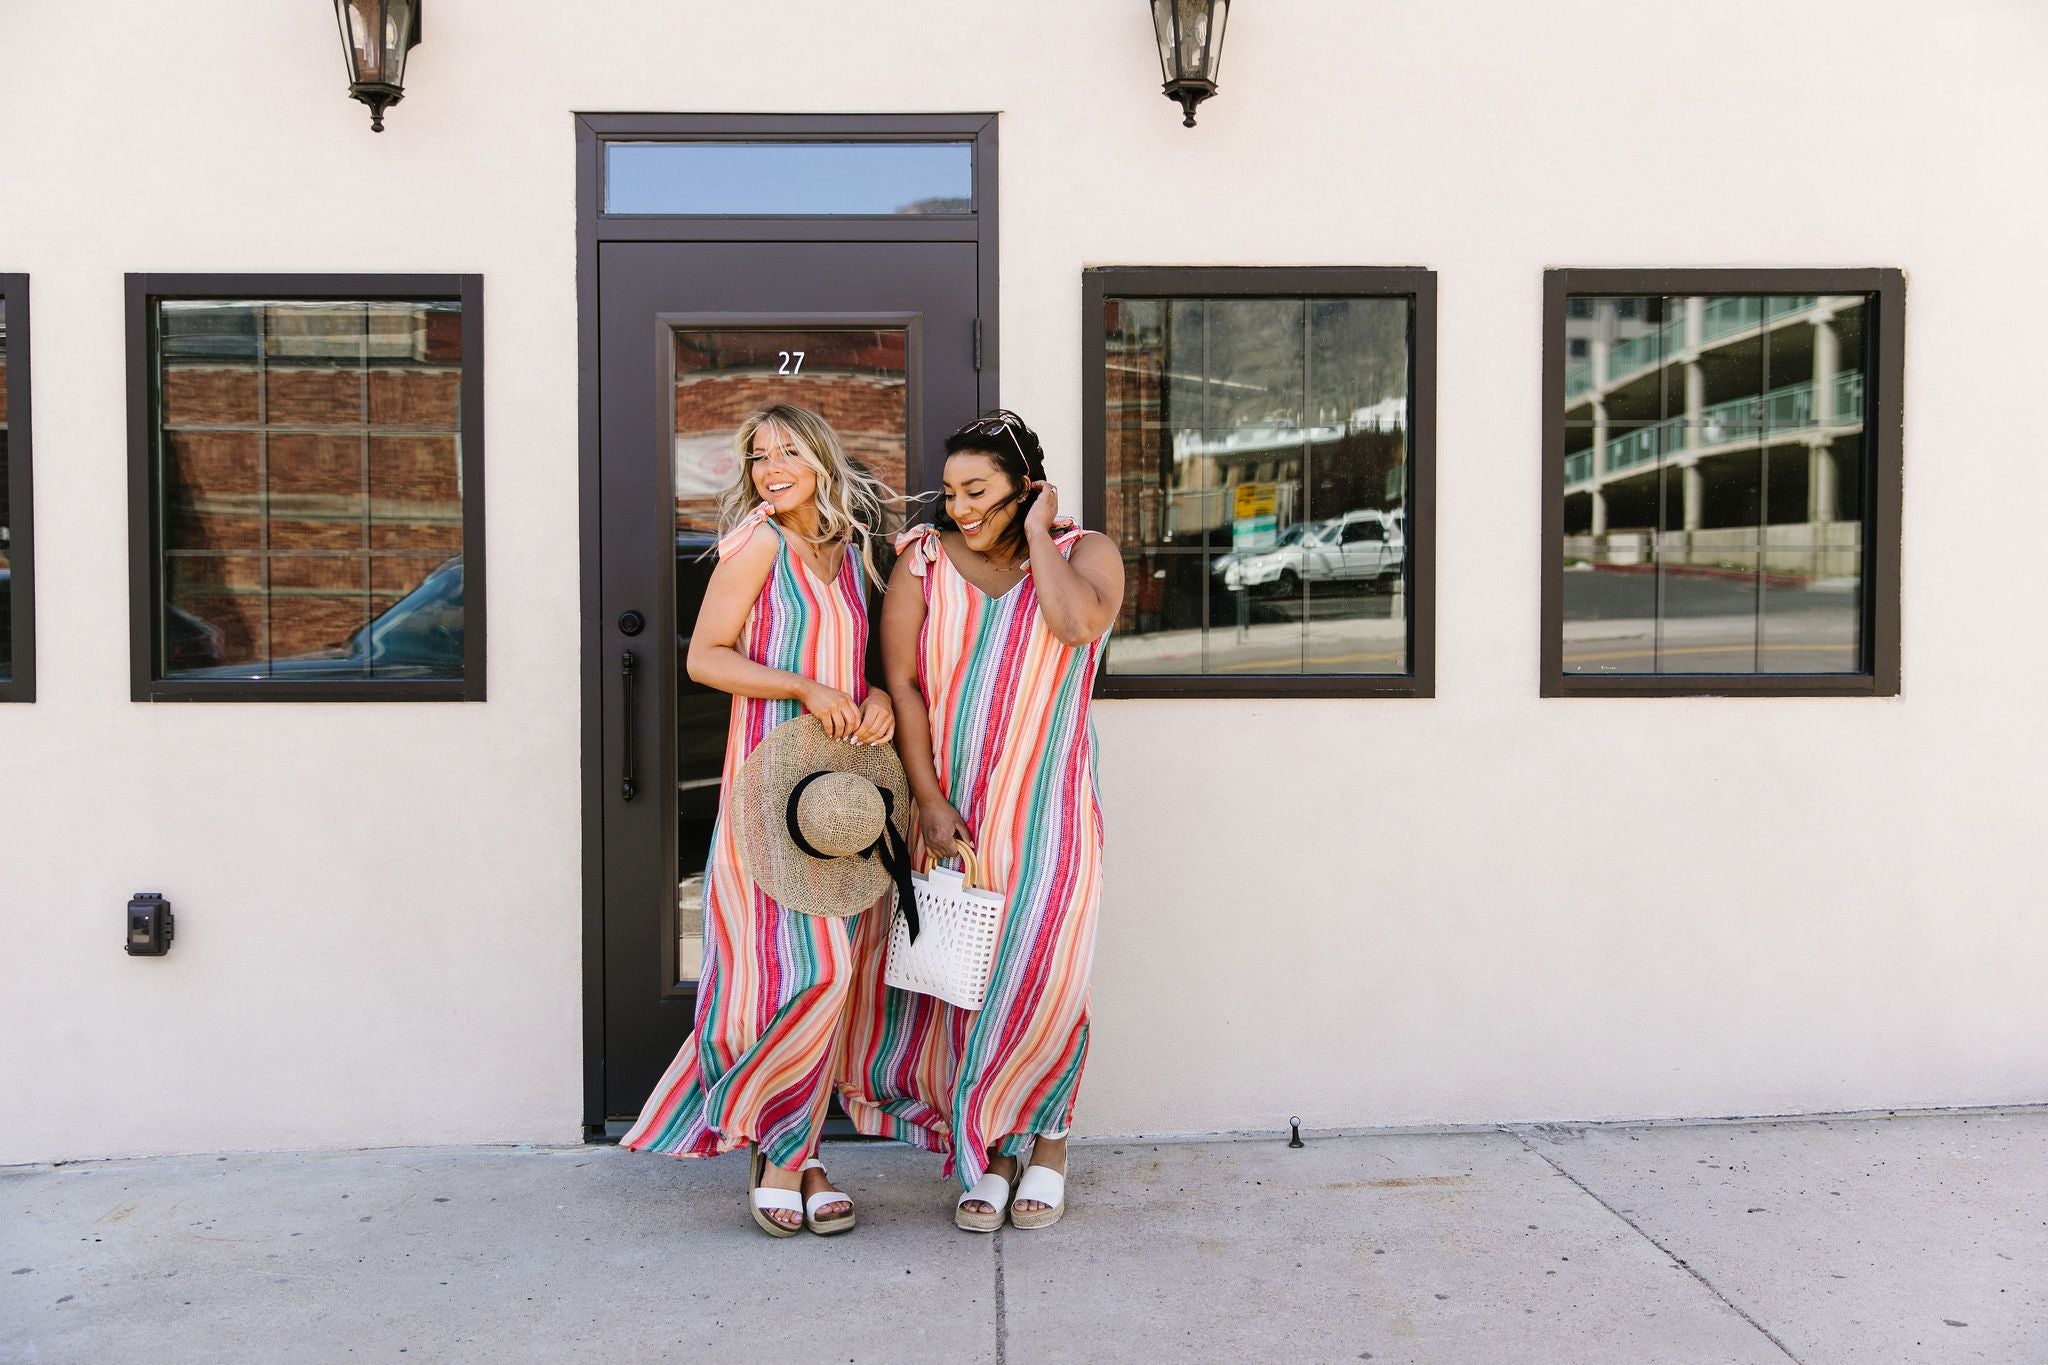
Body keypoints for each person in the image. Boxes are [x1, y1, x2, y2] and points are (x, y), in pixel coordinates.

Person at [838, 409, 1124, 1231]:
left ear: (1024, 488)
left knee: (1047, 976)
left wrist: (1037, 531)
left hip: (1053, 804)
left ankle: (1053, 1142)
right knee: (970, 984)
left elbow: (1075, 626)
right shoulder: (922, 561)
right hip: (952, 808)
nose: (960, 508)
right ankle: (995, 1147)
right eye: (953, 490)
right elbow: (904, 684)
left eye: (981, 492)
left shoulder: (1084, 553)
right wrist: (926, 798)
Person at [620, 404, 898, 1237]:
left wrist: (875, 693)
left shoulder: (848, 554)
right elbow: (705, 657)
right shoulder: (759, 544)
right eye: (757, 456)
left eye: (786, 451)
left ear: (820, 457)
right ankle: (785, 1156)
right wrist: (803, 688)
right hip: (768, 786)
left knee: (836, 976)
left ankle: (800, 1149)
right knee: (797, 973)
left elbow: (866, 663)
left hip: (835, 794)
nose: (769, 468)